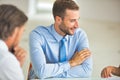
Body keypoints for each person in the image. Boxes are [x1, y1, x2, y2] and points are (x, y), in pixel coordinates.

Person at [29, 0, 92, 79]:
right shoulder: (37, 35)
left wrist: (49, 73)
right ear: (58, 20)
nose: (77, 25)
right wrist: (71, 63)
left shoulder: (80, 35)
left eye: (77, 19)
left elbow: (86, 70)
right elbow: (41, 72)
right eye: (72, 21)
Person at [0, 4, 28, 80]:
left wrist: (17, 66)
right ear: (16, 30)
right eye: (23, 31)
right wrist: (13, 64)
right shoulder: (6, 59)